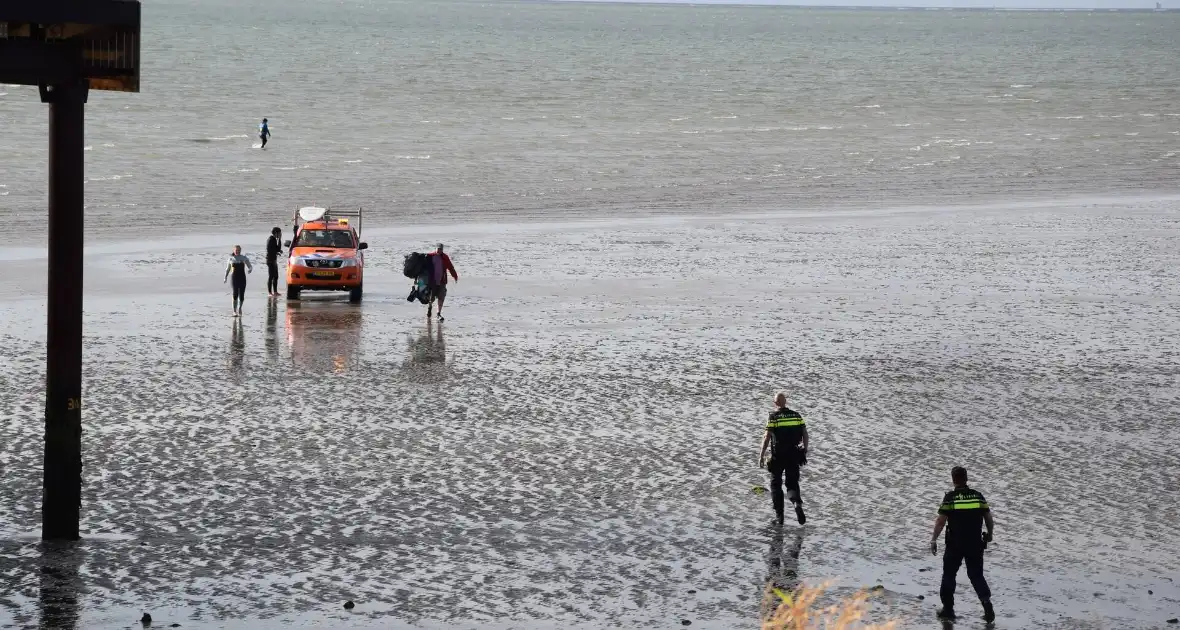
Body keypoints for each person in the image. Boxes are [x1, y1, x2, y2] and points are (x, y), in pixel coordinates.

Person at [930, 466, 995, 622]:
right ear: (966, 479)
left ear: (953, 480)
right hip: (975, 543)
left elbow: (940, 521)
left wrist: (933, 539)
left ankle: (948, 610)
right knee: (976, 575)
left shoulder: (951, 498)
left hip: (955, 544)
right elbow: (989, 518)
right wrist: (990, 535)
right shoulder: (978, 496)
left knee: (949, 575)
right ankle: (987, 605)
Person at [758, 393, 809, 525]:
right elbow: (805, 433)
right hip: (794, 454)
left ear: (775, 404)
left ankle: (779, 517)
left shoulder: (773, 417)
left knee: (775, 485)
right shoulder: (796, 415)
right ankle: (797, 503)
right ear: (785, 402)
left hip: (778, 456)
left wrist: (762, 455)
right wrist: (805, 449)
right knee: (792, 483)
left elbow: (766, 437)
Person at [426, 243, 458, 322]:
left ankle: (438, 313)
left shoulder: (445, 257)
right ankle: (430, 307)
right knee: (431, 298)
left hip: (442, 281)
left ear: (442, 250)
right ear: (435, 248)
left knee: (441, 296)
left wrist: (455, 276)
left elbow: (450, 267)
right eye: (438, 249)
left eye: (440, 249)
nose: (439, 250)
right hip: (432, 282)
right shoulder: (430, 256)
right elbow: (423, 268)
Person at [223, 245, 253, 316]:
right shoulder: (231, 259)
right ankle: (234, 311)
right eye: (236, 250)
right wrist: (225, 277)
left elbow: (250, 266)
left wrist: (250, 269)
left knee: (241, 295)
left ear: (240, 250)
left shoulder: (244, 258)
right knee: (235, 294)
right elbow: (227, 269)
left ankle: (239, 308)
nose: (237, 251)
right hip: (234, 278)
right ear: (234, 250)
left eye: (239, 250)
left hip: (242, 278)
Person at [265, 227, 283, 296]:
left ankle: (275, 292)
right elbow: (276, 249)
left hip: (273, 260)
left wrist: (277, 252)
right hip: (270, 261)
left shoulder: (273, 239)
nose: (280, 234)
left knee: (276, 276)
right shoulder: (271, 239)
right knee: (271, 276)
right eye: (279, 233)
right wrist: (280, 239)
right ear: (276, 233)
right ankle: (270, 292)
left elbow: (274, 249)